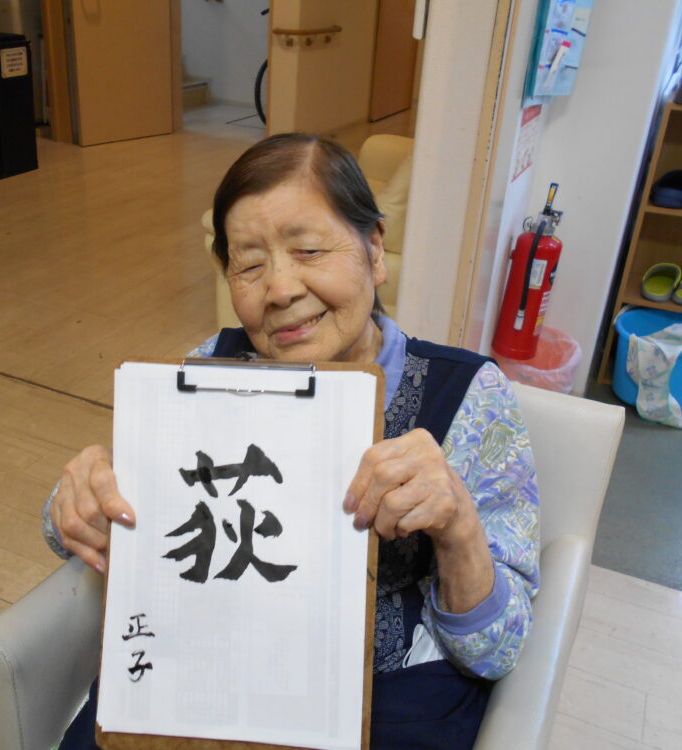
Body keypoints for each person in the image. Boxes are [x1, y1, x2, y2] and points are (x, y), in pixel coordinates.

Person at [42, 133, 539, 750]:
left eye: (309, 250)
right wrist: (77, 500)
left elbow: (499, 650)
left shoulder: (466, 397)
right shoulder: (209, 370)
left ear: (374, 249)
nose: (279, 290)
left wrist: (459, 527)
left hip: (387, 703)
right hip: (207, 683)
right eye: (250, 265)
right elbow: (116, 523)